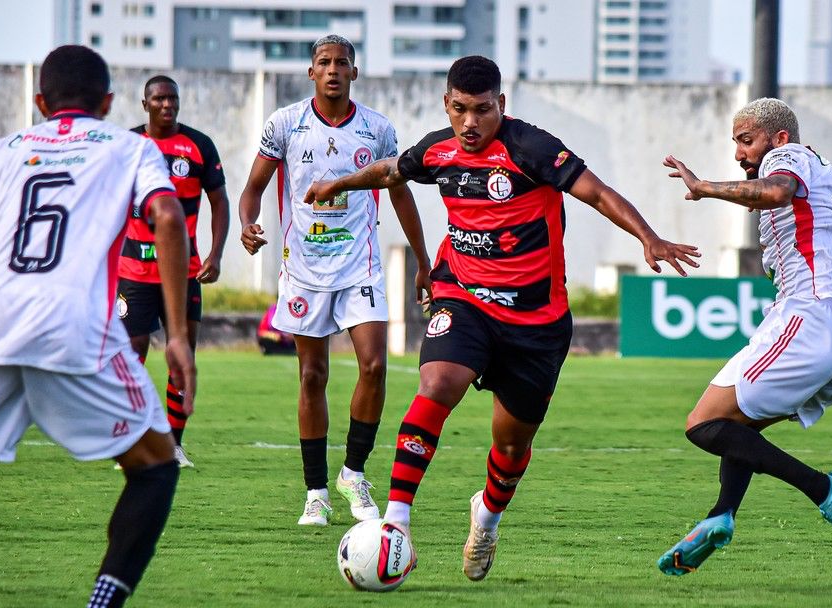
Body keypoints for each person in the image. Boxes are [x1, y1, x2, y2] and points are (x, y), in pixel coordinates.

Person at [304, 55, 700, 581]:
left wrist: (648, 237)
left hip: (536, 321)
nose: (471, 123)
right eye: (461, 110)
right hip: (462, 296)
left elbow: (597, 193)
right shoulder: (438, 150)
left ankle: (486, 518)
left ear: (501, 106)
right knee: (438, 382)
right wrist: (340, 185)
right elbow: (391, 170)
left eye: (483, 111)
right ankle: (396, 522)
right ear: (447, 105)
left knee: (512, 445)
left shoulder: (529, 148)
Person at [0, 45, 195, 607]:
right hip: (75, 324)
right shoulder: (131, 149)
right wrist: (176, 336)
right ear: (108, 103)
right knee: (155, 467)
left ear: (38, 102)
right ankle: (102, 603)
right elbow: (169, 216)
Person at [656, 97, 832, 575]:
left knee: (703, 424)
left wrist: (705, 188)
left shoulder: (788, 156)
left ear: (777, 138)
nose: (739, 153)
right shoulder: (828, 176)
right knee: (739, 425)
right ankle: (721, 515)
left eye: (745, 139)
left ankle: (825, 488)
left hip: (812, 315)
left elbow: (776, 192)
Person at [238, 35, 431, 526]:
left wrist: (423, 260)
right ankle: (316, 493)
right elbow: (253, 188)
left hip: (359, 265)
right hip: (302, 269)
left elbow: (401, 195)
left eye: (341, 63)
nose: (332, 70)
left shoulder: (377, 130)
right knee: (312, 376)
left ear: (354, 72)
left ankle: (353, 472)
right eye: (323, 62)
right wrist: (247, 223)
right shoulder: (285, 124)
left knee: (374, 365)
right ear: (311, 73)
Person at [118, 74, 229, 468]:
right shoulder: (128, 146)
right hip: (133, 271)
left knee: (182, 355)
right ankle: (132, 439)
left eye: (173, 98)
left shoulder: (198, 146)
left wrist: (215, 253)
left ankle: (174, 444)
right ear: (145, 103)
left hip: (185, 273)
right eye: (160, 99)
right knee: (132, 356)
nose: (168, 105)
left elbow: (219, 201)